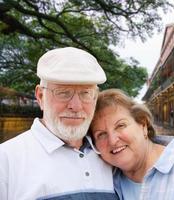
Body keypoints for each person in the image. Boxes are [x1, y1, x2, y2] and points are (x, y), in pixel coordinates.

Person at [0, 47, 118, 200]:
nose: (76, 106)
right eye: (63, 93)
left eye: (86, 93)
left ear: (95, 98)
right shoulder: (6, 160)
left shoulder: (111, 156)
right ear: (40, 96)